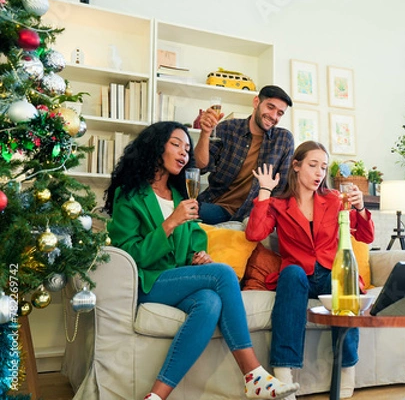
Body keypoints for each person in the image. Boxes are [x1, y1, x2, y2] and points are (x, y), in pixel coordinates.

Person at [103, 121, 300, 400]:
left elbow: (194, 236)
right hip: (146, 282)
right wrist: (170, 222)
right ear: (156, 147)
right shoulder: (130, 195)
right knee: (222, 274)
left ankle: (156, 396)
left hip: (175, 279)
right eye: (176, 144)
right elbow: (129, 255)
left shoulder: (179, 195)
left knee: (210, 302)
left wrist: (199, 255)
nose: (184, 152)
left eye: (187, 147)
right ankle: (253, 374)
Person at [245, 141, 375, 399]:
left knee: (344, 283)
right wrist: (264, 192)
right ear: (296, 166)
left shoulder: (334, 200)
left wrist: (360, 207)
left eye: (323, 167)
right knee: (291, 273)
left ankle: (347, 370)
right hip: (298, 275)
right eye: (313, 165)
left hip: (330, 272)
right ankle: (283, 375)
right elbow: (255, 233)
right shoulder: (279, 205)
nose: (319, 173)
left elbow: (366, 236)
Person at [194, 85, 294, 224]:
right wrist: (205, 133)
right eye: (270, 107)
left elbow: (282, 189)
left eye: (280, 113)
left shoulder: (283, 140)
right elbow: (200, 166)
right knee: (180, 212)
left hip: (252, 213)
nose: (273, 116)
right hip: (217, 206)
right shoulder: (227, 128)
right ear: (256, 102)